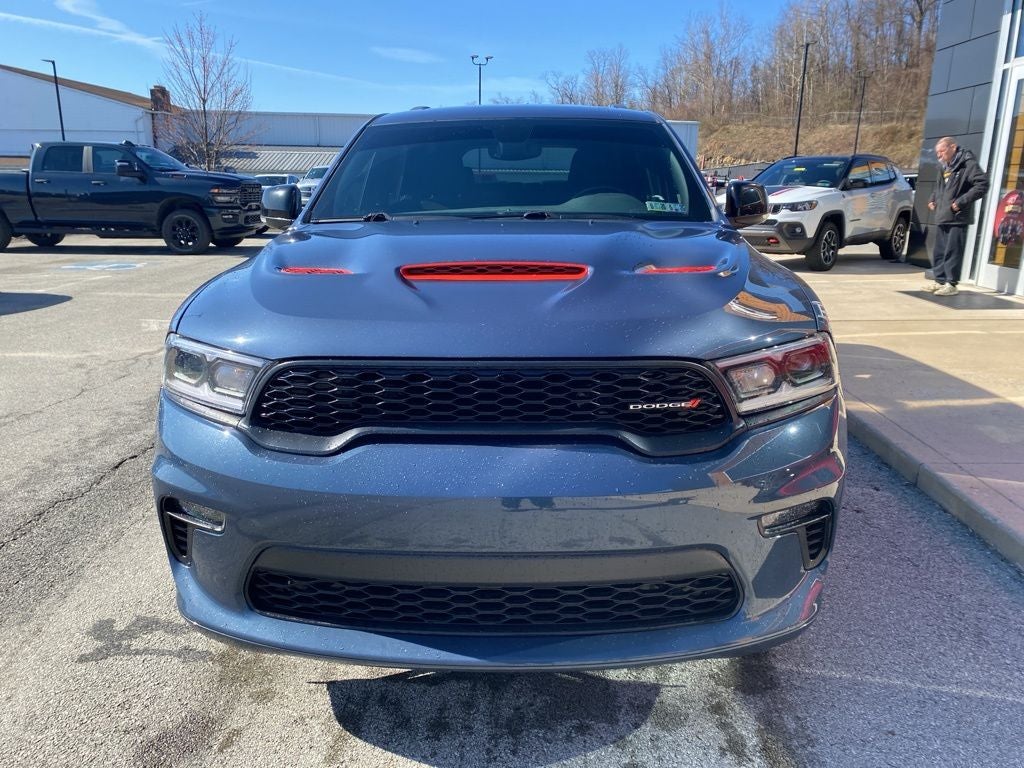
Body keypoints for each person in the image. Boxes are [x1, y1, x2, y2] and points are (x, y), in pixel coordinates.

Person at [926, 137, 990, 296]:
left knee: (952, 251)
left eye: (942, 151)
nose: (939, 155)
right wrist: (933, 199)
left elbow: (982, 184)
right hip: (942, 214)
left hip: (957, 216)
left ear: (953, 147)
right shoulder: (943, 166)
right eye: (937, 153)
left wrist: (961, 202)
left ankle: (951, 284)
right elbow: (939, 187)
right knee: (940, 251)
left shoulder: (967, 163)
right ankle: (939, 281)